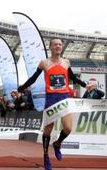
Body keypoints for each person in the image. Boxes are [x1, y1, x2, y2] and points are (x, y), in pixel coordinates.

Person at [11, 38, 89, 170]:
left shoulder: (66, 62)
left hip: (64, 98)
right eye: (55, 44)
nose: (58, 46)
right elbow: (33, 79)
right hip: (51, 98)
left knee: (68, 128)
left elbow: (73, 78)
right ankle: (46, 156)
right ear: (50, 47)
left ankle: (58, 143)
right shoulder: (44, 63)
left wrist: (85, 85)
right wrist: (19, 89)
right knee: (48, 130)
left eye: (60, 44)